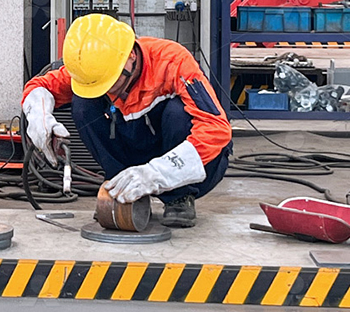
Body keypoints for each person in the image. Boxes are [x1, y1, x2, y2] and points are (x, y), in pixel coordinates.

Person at [22, 13, 232, 227]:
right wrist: (39, 117)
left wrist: (156, 173)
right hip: (133, 145)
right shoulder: (94, 67)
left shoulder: (172, 62)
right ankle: (120, 188)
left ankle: (179, 197)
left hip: (183, 160)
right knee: (83, 103)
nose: (108, 90)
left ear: (131, 55)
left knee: (178, 112)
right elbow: (39, 87)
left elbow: (216, 128)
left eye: (111, 81)